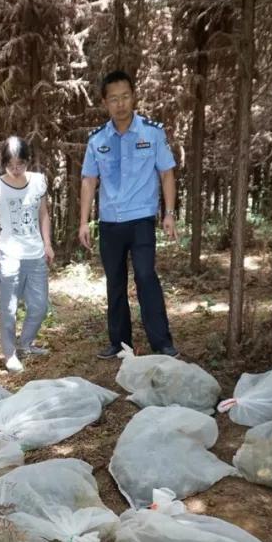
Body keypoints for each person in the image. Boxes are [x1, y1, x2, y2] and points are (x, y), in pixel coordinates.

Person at [79, 69, 179, 359]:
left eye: (125, 97)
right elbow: (88, 180)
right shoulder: (97, 140)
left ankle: (161, 342)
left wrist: (169, 213)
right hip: (110, 223)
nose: (120, 104)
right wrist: (84, 221)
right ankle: (120, 343)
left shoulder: (152, 132)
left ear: (133, 97)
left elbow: (167, 174)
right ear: (104, 103)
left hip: (141, 221)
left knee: (146, 277)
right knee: (115, 282)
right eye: (114, 99)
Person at [0, 136, 54, 373]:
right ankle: (10, 353)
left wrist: (48, 244)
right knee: (8, 308)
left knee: (40, 305)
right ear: (3, 163)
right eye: (10, 165)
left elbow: (43, 214)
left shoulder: (38, 181)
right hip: (8, 253)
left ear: (28, 161)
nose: (15, 169)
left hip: (35, 252)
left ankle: (26, 343)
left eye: (20, 164)